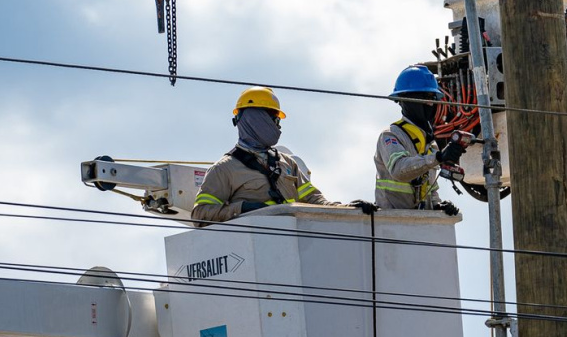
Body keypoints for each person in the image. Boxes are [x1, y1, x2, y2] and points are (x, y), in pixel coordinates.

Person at [192, 87, 370, 225]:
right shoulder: (224, 169)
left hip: (293, 243)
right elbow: (200, 214)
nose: (278, 127)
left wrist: (349, 208)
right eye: (275, 120)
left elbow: (314, 200)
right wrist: (243, 208)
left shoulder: (287, 163)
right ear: (256, 119)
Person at [374, 66, 463, 216]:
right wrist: (438, 158)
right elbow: (399, 170)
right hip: (390, 221)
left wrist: (437, 204)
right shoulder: (390, 136)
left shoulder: (429, 143)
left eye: (432, 98)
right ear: (405, 99)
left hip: (419, 222)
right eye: (425, 97)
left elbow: (429, 185)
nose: (430, 104)